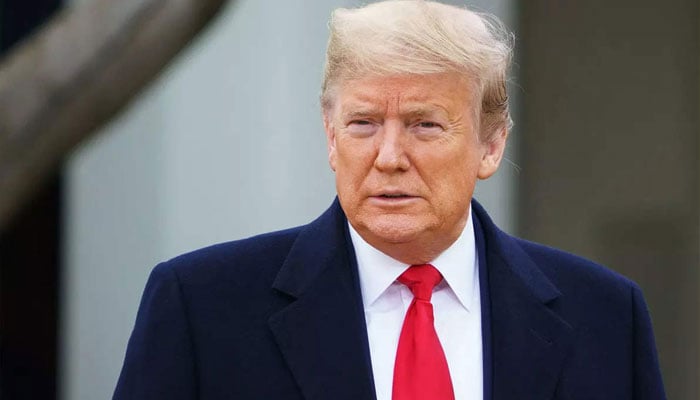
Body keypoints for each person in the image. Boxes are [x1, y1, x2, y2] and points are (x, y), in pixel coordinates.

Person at [113, 1, 666, 399]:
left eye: (425, 125)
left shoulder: (607, 318)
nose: (389, 156)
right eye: (363, 123)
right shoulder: (202, 308)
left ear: (491, 145)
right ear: (330, 137)